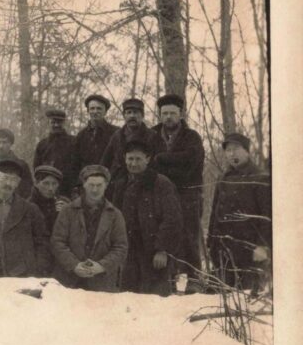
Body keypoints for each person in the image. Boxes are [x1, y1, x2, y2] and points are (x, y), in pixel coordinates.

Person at [109, 140, 182, 296]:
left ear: (148, 159)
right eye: (130, 159)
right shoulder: (120, 184)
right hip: (128, 253)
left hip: (153, 254)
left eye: (138, 159)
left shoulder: (161, 183)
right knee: (128, 299)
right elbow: (113, 218)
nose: (133, 163)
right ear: (124, 158)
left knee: (154, 302)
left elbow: (172, 219)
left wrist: (162, 250)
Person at [207, 133, 271, 292]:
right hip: (223, 249)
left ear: (247, 152)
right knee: (219, 296)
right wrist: (211, 242)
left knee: (247, 297)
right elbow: (215, 212)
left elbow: (267, 216)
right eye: (228, 150)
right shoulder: (223, 177)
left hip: (249, 250)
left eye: (236, 149)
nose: (231, 153)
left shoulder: (260, 177)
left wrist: (263, 246)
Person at [151, 94, 205, 281]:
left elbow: (191, 164)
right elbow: (148, 164)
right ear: (160, 115)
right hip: (159, 195)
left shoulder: (191, 137)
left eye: (172, 113)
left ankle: (193, 278)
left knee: (189, 236)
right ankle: (168, 277)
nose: (168, 117)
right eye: (164, 113)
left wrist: (162, 159)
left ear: (180, 114)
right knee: (163, 233)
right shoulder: (152, 135)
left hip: (187, 194)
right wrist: (172, 162)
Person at [50, 165, 128, 292]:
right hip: (68, 281)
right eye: (91, 185)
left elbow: (121, 248)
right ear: (84, 185)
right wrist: (74, 265)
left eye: (99, 185)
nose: (95, 189)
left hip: (101, 283)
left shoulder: (115, 215)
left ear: (106, 185)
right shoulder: (67, 211)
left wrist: (101, 266)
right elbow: (57, 242)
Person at [0, 158, 49, 277]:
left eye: (14, 180)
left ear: (18, 184)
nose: (9, 184)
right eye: (5, 178)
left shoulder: (30, 209)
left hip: (22, 274)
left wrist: (37, 270)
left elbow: (42, 243)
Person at [100, 98, 165, 180]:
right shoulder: (117, 136)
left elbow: (159, 164)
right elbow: (105, 161)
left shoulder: (153, 136)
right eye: (129, 112)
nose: (132, 116)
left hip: (145, 180)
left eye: (136, 112)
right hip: (119, 180)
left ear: (142, 115)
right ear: (124, 116)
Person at [29, 165, 68, 273]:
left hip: (59, 260)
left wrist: (66, 213)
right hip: (35, 260)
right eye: (46, 183)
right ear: (36, 184)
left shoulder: (64, 203)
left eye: (54, 184)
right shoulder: (27, 206)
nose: (50, 188)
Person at [33, 108, 80, 197]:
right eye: (53, 122)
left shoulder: (73, 142)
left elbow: (77, 165)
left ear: (64, 123)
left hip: (67, 188)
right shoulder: (42, 144)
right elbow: (37, 168)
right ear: (49, 123)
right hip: (46, 187)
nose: (56, 125)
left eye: (59, 122)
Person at [74, 94, 119, 172]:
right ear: (88, 111)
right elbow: (76, 162)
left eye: (99, 109)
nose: (95, 111)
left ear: (105, 111)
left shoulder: (115, 132)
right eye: (92, 108)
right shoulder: (81, 135)